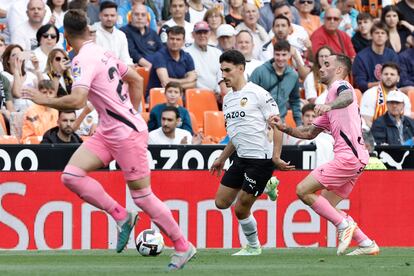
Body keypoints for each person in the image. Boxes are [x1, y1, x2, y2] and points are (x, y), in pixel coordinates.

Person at [23, 9, 196, 270]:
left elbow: (78, 100)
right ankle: (121, 216)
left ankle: (183, 245)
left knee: (142, 196)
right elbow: (136, 78)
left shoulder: (83, 59)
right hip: (109, 131)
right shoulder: (103, 52)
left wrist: (42, 99)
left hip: (125, 133)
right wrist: (132, 110)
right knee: (71, 175)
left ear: (66, 37)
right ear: (87, 31)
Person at [270, 53, 379, 256]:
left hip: (348, 157)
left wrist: (329, 105)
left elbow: (348, 97)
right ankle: (365, 243)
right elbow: (308, 132)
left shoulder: (340, 88)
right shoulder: (331, 98)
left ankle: (344, 226)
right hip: (357, 158)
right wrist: (283, 127)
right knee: (327, 205)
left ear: (339, 70)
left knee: (302, 190)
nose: (321, 68)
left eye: (327, 64)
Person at [210, 49, 294, 256]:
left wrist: (276, 157)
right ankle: (266, 186)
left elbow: (277, 126)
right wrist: (222, 158)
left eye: (227, 70)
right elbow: (236, 135)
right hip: (240, 158)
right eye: (221, 70)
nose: (224, 75)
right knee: (221, 203)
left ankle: (254, 246)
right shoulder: (228, 99)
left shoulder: (259, 94)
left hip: (261, 161)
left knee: (240, 209)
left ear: (241, 68)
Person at [250, 40, 302, 126]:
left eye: (284, 55)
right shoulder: (260, 71)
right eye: (277, 54)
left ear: (289, 55)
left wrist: (299, 123)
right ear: (273, 54)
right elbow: (249, 95)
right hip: (259, 121)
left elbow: (295, 100)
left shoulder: (293, 76)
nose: (280, 58)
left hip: (280, 121)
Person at [360, 62, 411, 129]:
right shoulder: (370, 94)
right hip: (376, 134)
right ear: (380, 76)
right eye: (386, 74)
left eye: (392, 74)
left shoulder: (404, 98)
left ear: (398, 78)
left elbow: (406, 122)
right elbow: (366, 120)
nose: (388, 76)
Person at [147, 26, 197, 95]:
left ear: (183, 42)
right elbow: (165, 82)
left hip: (178, 95)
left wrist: (171, 82)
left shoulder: (187, 56)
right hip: (158, 95)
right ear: (167, 40)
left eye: (178, 39)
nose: (174, 42)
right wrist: (187, 80)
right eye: (172, 39)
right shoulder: (159, 56)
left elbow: (193, 83)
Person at [352, 22, 399, 92]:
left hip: (391, 92)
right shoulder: (361, 57)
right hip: (369, 94)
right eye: (377, 33)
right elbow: (360, 83)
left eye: (383, 33)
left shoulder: (392, 55)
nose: (380, 35)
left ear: (387, 37)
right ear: (371, 35)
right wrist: (382, 84)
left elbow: (398, 79)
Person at [120, 3, 163, 67]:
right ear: (131, 17)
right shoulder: (124, 32)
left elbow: (162, 51)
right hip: (138, 68)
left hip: (156, 66)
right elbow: (133, 54)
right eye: (136, 14)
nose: (140, 17)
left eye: (143, 15)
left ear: (147, 18)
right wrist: (152, 68)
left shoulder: (152, 33)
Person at [185, 21, 222, 93]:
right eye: (199, 33)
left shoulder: (217, 52)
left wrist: (218, 91)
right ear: (193, 35)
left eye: (205, 32)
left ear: (210, 34)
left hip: (217, 95)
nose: (202, 35)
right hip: (196, 94)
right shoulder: (186, 53)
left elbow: (221, 76)